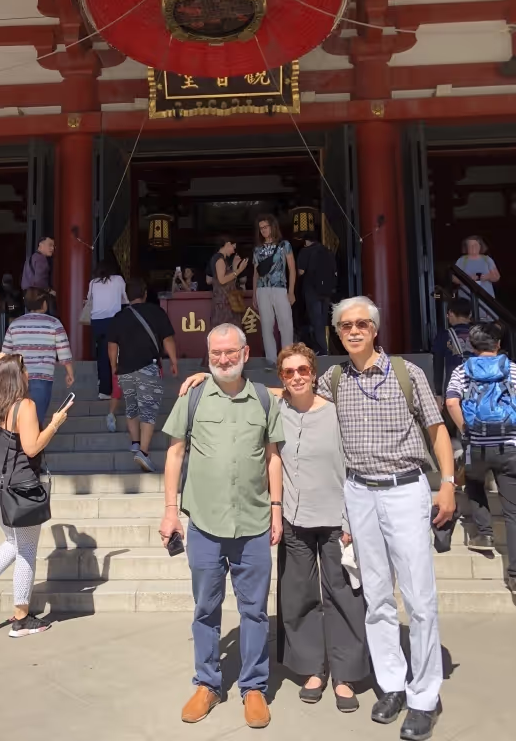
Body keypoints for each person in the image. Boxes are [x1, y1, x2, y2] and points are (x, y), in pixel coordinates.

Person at [179, 342, 369, 713]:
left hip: (335, 518)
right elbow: (241, 384)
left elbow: (354, 464)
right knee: (298, 597)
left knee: (343, 595)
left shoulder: (335, 411)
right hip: (293, 519)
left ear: (314, 373)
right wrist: (208, 375)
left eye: (303, 370)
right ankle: (313, 669)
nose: (297, 377)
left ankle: (344, 674)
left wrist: (352, 517)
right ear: (281, 377)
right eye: (288, 372)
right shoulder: (274, 403)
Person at [318, 296, 456, 741]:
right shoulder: (332, 379)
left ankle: (424, 695)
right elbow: (294, 397)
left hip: (405, 488)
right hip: (358, 492)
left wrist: (449, 483)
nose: (353, 331)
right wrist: (210, 376)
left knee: (418, 597)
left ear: (375, 329)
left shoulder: (406, 373)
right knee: (375, 596)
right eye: (345, 326)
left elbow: (437, 430)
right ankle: (393, 683)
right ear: (337, 333)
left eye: (361, 324)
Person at [160, 323, 285, 729]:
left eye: (231, 352)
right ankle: (207, 683)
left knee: (254, 611)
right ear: (208, 355)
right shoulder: (193, 397)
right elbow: (175, 454)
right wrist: (169, 510)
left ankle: (253, 688)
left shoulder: (264, 398)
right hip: (206, 524)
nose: (224, 360)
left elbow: (272, 458)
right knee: (205, 608)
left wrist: (278, 509)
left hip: (252, 521)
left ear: (246, 354)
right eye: (216, 354)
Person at [0, 353, 71, 636]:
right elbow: (32, 448)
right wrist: (55, 423)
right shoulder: (25, 406)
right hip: (18, 488)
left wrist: (1, 363)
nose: (29, 375)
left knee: (12, 541)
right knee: (27, 550)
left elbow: (0, 373)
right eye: (25, 370)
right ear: (16, 376)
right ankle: (21, 618)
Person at [445, 322, 516, 593]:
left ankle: (484, 534)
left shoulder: (462, 370)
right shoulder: (512, 369)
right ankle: (514, 575)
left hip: (477, 444)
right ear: (498, 344)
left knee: (473, 481)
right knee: (513, 512)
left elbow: (451, 402)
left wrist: (466, 429)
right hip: (510, 446)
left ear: (471, 346)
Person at [107, 278, 178, 472]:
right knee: (148, 408)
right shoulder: (156, 312)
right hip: (148, 366)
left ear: (126, 296)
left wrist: (114, 366)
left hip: (125, 370)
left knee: (131, 407)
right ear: (145, 293)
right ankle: (144, 453)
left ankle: (135, 443)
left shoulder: (119, 317)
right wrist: (173, 361)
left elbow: (112, 346)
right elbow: (168, 339)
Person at [1, 288, 74, 426]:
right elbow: (63, 349)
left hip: (18, 378)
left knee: (18, 421)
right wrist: (70, 373)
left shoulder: (15, 324)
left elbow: (5, 354)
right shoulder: (54, 323)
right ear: (44, 303)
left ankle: (21, 446)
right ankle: (33, 446)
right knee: (36, 420)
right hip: (42, 378)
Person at [252, 214, 296, 369]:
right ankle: (271, 359)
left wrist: (291, 291)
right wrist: (254, 294)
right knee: (266, 325)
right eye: (261, 228)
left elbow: (292, 268)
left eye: (266, 227)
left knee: (285, 324)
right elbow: (256, 272)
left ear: (272, 227)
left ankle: (287, 358)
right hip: (262, 290)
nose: (263, 230)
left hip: (280, 288)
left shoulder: (284, 245)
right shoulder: (257, 249)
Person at [87, 260, 128, 401]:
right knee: (114, 354)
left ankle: (103, 387)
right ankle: (111, 387)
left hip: (97, 321)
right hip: (112, 319)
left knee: (102, 354)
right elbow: (126, 299)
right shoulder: (118, 280)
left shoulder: (93, 283)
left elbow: (89, 300)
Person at [297, 231, 337, 356]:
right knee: (323, 321)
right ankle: (324, 348)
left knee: (316, 321)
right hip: (326, 291)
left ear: (305, 240)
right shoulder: (327, 251)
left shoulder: (305, 251)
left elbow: (301, 272)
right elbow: (335, 272)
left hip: (312, 291)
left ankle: (322, 349)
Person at [432, 298, 473, 411]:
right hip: (479, 389)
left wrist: (438, 393)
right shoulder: (479, 334)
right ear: (470, 314)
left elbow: (438, 366)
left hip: (454, 390)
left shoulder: (444, 336)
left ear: (450, 313)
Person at [209, 236, 248, 329]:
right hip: (223, 303)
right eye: (233, 247)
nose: (233, 251)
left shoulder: (221, 259)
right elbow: (222, 280)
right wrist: (239, 270)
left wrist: (234, 267)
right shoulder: (220, 260)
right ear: (227, 244)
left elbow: (228, 279)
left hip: (225, 302)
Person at [454, 236, 500, 306]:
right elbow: (453, 278)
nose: (473, 247)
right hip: (466, 298)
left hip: (485, 298)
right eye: (470, 246)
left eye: (475, 245)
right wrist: (467, 279)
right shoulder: (462, 260)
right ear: (466, 248)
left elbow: (497, 277)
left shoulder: (487, 260)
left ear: (480, 246)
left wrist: (488, 277)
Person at [21, 237, 56, 313]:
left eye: (53, 246)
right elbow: (40, 280)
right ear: (41, 244)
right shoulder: (41, 259)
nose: (52, 248)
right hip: (38, 297)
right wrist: (50, 291)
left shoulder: (30, 258)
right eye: (50, 245)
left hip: (27, 296)